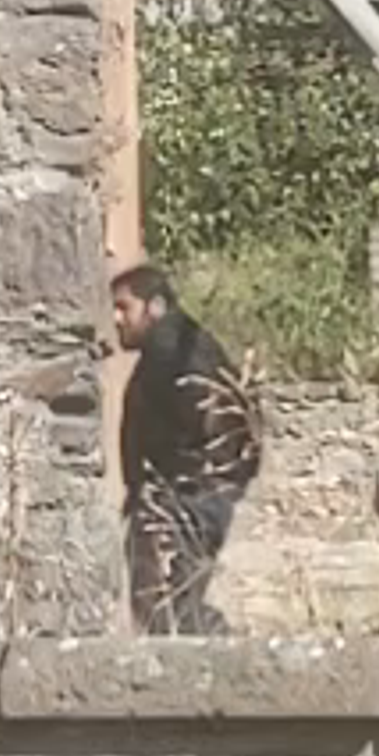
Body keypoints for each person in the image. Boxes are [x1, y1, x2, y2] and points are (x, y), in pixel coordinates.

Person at [110, 258, 262, 634]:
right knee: (173, 607)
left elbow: (219, 425)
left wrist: (179, 493)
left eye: (124, 307)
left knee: (167, 610)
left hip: (182, 501)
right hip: (183, 499)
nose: (116, 318)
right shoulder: (172, 349)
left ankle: (223, 667)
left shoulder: (177, 353)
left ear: (155, 306)